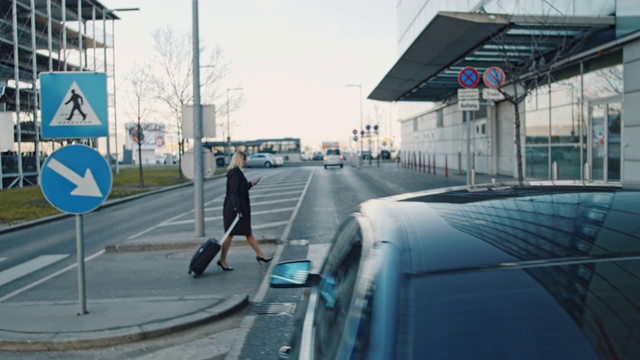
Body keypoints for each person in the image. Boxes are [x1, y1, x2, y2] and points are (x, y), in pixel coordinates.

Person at [218, 151, 273, 271]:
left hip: (235, 208)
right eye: (245, 160)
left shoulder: (236, 173)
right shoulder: (235, 173)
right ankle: (223, 260)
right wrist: (237, 209)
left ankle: (259, 254)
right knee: (236, 233)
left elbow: (239, 189)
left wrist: (249, 184)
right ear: (240, 160)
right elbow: (234, 193)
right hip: (234, 209)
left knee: (239, 232)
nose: (246, 162)